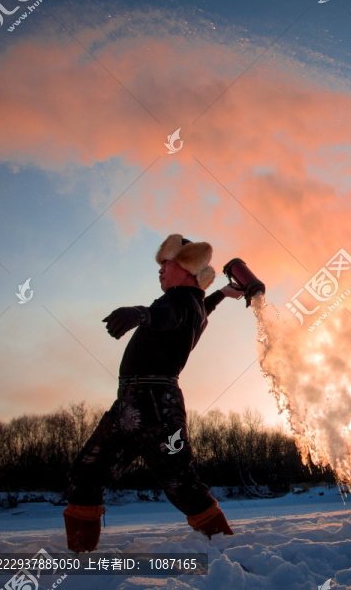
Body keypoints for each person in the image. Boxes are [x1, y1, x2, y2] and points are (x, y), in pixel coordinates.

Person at [62, 234, 243, 553]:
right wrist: (223, 294)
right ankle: (81, 555)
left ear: (187, 267)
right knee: (87, 473)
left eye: (167, 263)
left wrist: (140, 314)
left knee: (180, 483)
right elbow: (198, 308)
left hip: (157, 408)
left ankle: (226, 550)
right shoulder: (193, 302)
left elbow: (170, 316)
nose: (160, 269)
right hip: (130, 406)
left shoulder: (179, 302)